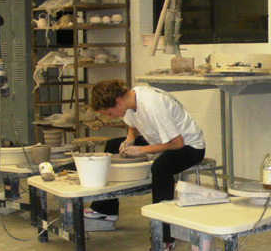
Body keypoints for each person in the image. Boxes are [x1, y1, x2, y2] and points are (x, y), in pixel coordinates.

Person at [86, 79, 205, 251]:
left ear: (118, 101)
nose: (110, 117)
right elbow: (133, 123)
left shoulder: (152, 105)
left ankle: (164, 236)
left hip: (190, 146)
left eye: (110, 113)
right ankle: (105, 211)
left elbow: (176, 143)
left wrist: (142, 149)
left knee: (160, 167)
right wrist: (130, 139)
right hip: (161, 140)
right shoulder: (131, 99)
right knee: (112, 146)